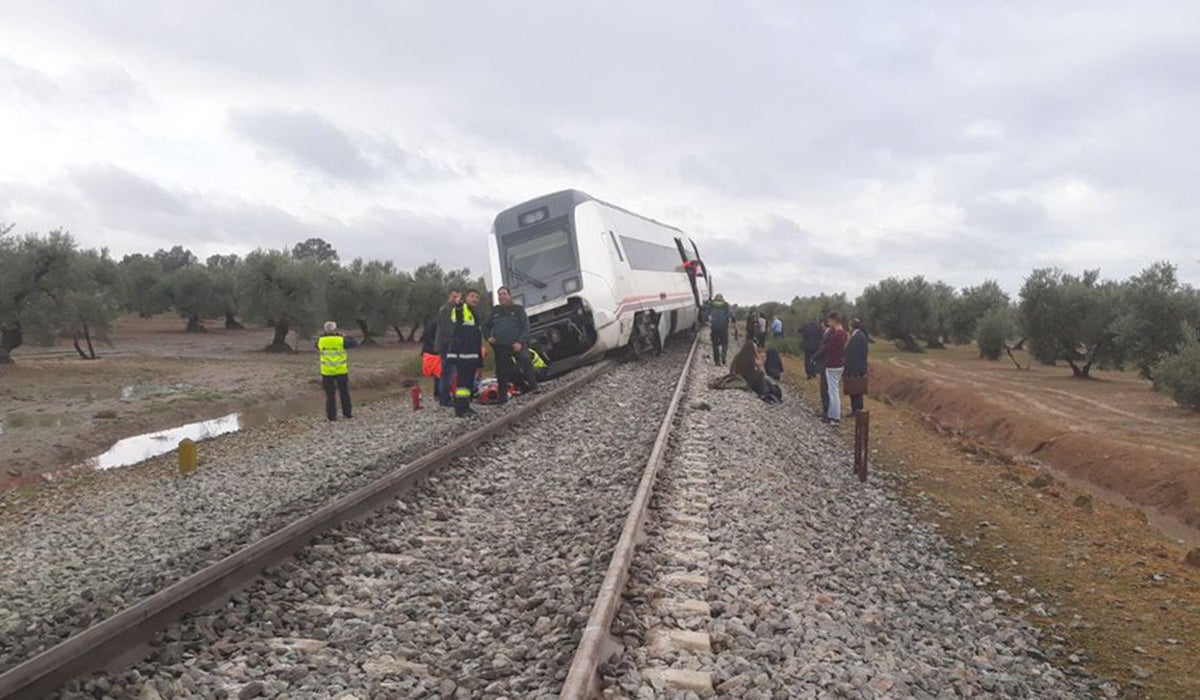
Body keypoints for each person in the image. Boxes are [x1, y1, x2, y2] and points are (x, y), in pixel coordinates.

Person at [484, 286, 536, 403]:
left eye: (504, 294)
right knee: (502, 371)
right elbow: (486, 327)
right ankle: (503, 398)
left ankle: (533, 387)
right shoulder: (495, 311)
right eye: (500, 294)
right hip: (501, 346)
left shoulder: (518, 309)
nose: (502, 296)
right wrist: (488, 337)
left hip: (517, 344)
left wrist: (520, 342)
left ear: (510, 295)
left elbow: (525, 327)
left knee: (525, 359)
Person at [446, 290, 485, 417]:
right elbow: (457, 319)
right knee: (463, 383)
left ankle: (466, 406)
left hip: (472, 353)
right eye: (472, 296)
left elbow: (477, 335)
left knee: (468, 382)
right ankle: (461, 409)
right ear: (465, 298)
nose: (475, 299)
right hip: (462, 354)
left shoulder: (474, 313)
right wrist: (458, 306)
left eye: (477, 297)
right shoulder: (461, 309)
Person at [316, 321, 358, 421]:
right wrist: (345, 336)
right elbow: (354, 342)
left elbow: (316, 346)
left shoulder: (321, 341)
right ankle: (347, 413)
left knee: (330, 395)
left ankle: (331, 416)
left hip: (327, 371)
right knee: (344, 392)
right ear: (335, 329)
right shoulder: (341, 340)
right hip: (341, 370)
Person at [434, 289, 461, 407]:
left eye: (457, 297)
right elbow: (448, 329)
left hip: (449, 345)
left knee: (450, 371)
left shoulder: (451, 309)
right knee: (447, 372)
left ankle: (445, 396)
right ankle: (444, 398)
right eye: (454, 297)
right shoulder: (447, 309)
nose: (456, 299)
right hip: (447, 346)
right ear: (449, 297)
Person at [823, 312, 849, 424]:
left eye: (829, 321)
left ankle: (834, 416)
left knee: (833, 391)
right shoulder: (844, 333)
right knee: (834, 390)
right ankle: (832, 414)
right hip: (839, 364)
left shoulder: (837, 335)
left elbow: (829, 349)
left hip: (833, 365)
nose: (828, 323)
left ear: (834, 320)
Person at [845, 317, 869, 414]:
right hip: (858, 368)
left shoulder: (857, 337)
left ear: (852, 326)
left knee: (856, 391)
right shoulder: (860, 336)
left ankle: (856, 410)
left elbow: (855, 355)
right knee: (856, 390)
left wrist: (852, 370)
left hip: (855, 368)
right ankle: (856, 410)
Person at [811, 316, 832, 416]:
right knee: (825, 387)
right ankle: (826, 409)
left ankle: (827, 410)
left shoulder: (828, 334)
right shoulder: (828, 333)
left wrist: (814, 357)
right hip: (826, 363)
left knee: (825, 388)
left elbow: (823, 348)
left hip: (825, 364)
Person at [420, 318, 442, 403]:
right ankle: (438, 394)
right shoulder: (438, 325)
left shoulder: (431, 325)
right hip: (434, 353)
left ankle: (438, 394)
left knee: (438, 374)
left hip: (429, 352)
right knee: (439, 374)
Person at [706, 294, 732, 365]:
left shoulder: (712, 305)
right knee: (725, 343)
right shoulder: (726, 305)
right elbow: (730, 315)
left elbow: (707, 314)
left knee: (715, 345)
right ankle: (723, 355)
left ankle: (717, 361)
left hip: (714, 327)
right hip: (724, 327)